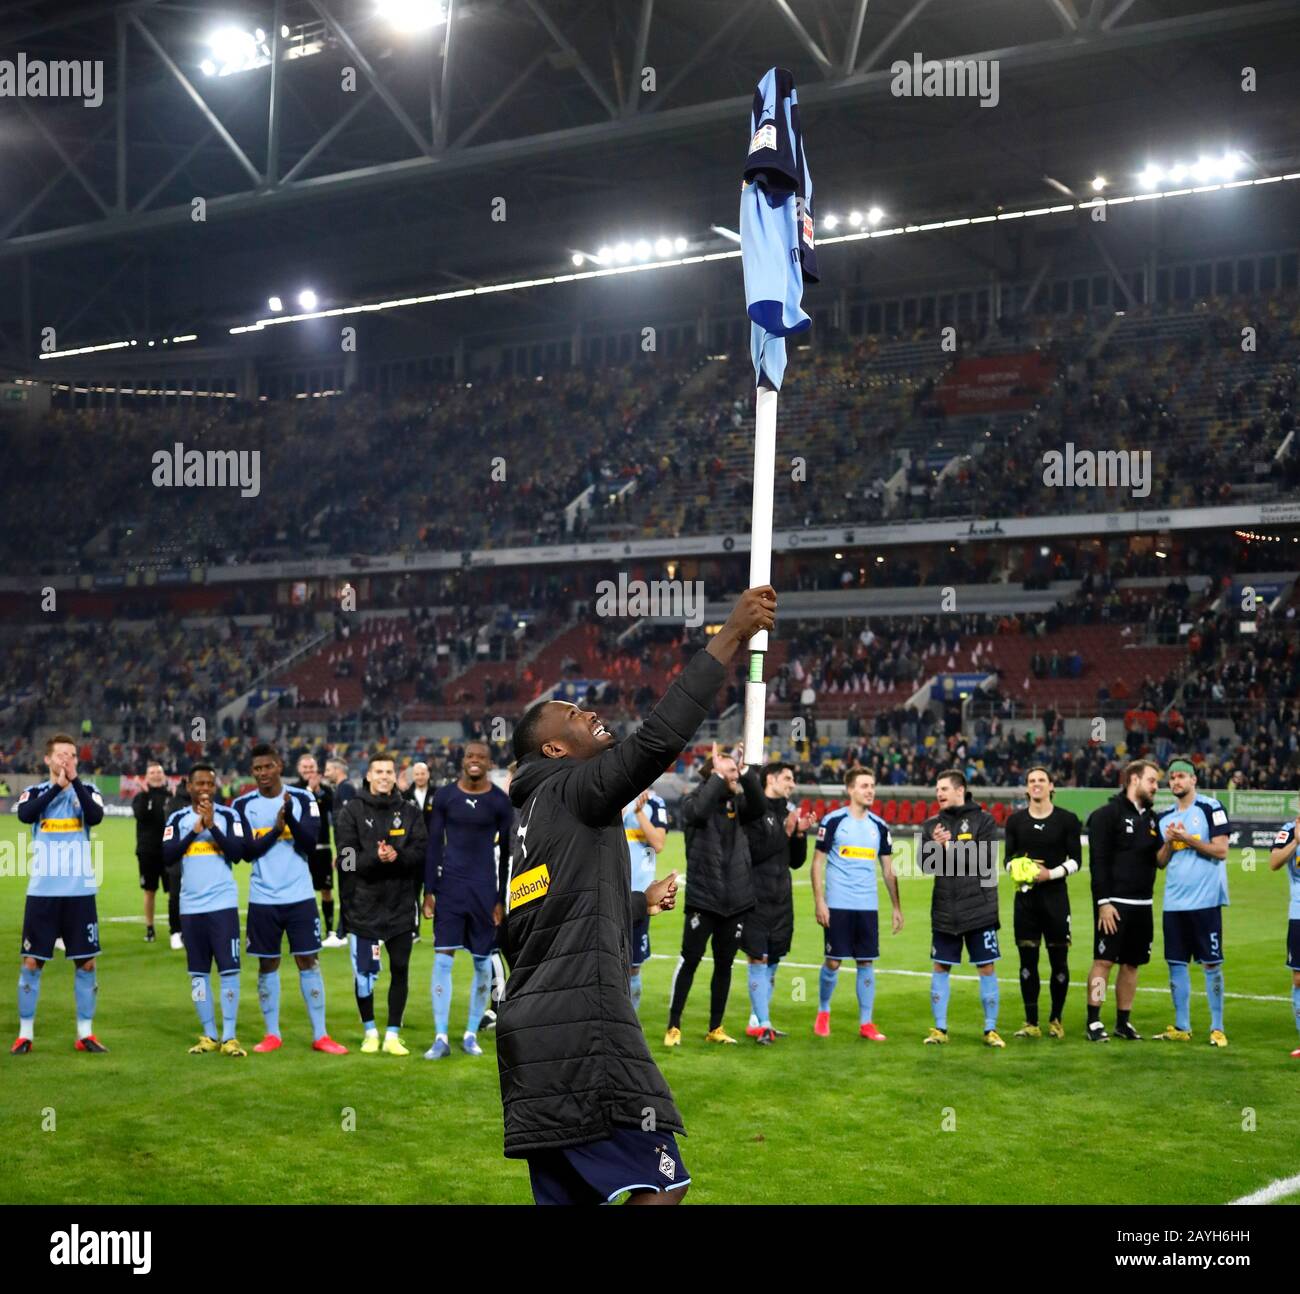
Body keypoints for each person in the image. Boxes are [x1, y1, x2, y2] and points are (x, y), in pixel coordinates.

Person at [499, 584, 775, 1205]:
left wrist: (636, 903)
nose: (588, 711)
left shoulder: (525, 819)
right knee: (665, 1181)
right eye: (571, 713)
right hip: (582, 1039)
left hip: (533, 1045)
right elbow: (656, 742)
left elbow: (525, 928)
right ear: (553, 749)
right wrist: (730, 635)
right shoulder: (573, 788)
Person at [234, 744, 347, 1054]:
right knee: (267, 963)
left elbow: (310, 844)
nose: (261, 773)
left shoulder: (303, 798)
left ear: (279, 765)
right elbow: (247, 852)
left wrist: (290, 821)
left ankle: (321, 1035)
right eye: (256, 769)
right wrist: (276, 829)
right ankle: (272, 1034)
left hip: (299, 896)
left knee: (308, 960)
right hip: (263, 898)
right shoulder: (243, 805)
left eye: (267, 767)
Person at [664, 741, 764, 1047]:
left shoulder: (738, 805)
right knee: (690, 960)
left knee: (725, 965)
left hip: (735, 901)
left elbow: (759, 806)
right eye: (731, 772)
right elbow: (699, 812)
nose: (736, 776)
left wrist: (746, 772)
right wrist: (719, 778)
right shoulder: (693, 801)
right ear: (715, 774)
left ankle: (715, 1027)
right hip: (703, 899)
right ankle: (673, 1026)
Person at [13, 733, 108, 1055]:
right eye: (61, 755)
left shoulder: (88, 793)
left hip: (79, 892)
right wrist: (57, 786)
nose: (66, 760)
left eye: (72, 755)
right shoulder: (34, 792)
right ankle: (25, 1034)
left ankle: (85, 1034)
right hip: (43, 892)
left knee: (87, 965)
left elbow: (95, 817)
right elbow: (25, 815)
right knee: (31, 964)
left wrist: (74, 782)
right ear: (47, 760)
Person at [422, 740, 512, 1059]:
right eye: (470, 756)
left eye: (481, 758)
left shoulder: (500, 802)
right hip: (450, 889)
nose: (475, 761)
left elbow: (506, 858)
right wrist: (428, 891)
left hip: (484, 891)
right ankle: (441, 1037)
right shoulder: (445, 796)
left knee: (481, 961)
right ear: (463, 761)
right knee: (442, 958)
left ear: (490, 764)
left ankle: (471, 1033)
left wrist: (500, 899)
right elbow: (434, 846)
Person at [334, 755, 428, 1055]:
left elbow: (421, 853)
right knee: (365, 973)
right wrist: (377, 857)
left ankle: (392, 1033)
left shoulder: (410, 811)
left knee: (400, 969)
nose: (384, 776)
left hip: (400, 907)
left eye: (389, 771)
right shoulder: (351, 811)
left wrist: (397, 857)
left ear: (395, 776)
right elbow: (347, 862)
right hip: (363, 908)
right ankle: (370, 1030)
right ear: (369, 776)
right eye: (379, 771)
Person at [161, 765, 248, 1056]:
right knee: (198, 974)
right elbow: (168, 856)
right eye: (199, 783)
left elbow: (238, 854)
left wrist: (212, 827)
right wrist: (194, 832)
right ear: (189, 786)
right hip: (191, 907)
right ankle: (209, 1034)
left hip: (222, 905)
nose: (205, 789)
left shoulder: (230, 815)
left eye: (210, 784)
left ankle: (230, 1036)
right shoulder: (177, 818)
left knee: (229, 970)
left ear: (216, 787)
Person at [812, 766, 901, 1041]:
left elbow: (888, 870)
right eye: (864, 786)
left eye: (872, 785)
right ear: (850, 790)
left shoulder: (879, 826)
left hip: (867, 906)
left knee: (866, 962)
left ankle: (866, 1023)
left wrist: (896, 907)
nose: (870, 790)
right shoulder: (833, 821)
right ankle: (824, 1011)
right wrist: (820, 902)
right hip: (838, 904)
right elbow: (817, 864)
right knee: (834, 962)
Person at [920, 768, 1003, 1047]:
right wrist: (937, 847)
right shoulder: (932, 825)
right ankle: (939, 1029)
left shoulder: (984, 820)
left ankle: (990, 1029)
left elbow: (984, 862)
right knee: (940, 966)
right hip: (945, 909)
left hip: (979, 908)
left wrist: (949, 847)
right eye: (937, 790)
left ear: (960, 790)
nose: (939, 794)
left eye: (944, 788)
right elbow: (926, 865)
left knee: (986, 967)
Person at [1153, 759, 1230, 1045]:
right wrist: (1170, 844)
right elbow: (1160, 863)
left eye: (1181, 776)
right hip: (1173, 903)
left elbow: (1221, 850)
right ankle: (1182, 1026)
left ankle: (1217, 1027)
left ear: (1194, 780)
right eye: (1172, 778)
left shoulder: (1211, 808)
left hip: (1205, 901)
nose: (1176, 782)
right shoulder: (1164, 817)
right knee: (1176, 964)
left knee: (1211, 964)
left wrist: (1188, 838)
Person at [1084, 759, 1162, 1042]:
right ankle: (1093, 1020)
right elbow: (1098, 862)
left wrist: (1174, 844)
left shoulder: (1153, 819)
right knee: (1104, 961)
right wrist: (1103, 902)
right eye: (1152, 780)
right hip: (1114, 903)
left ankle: (1122, 1022)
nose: (1156, 786)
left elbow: (1159, 861)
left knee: (1132, 964)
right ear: (1134, 780)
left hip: (1143, 905)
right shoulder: (1106, 815)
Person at [1002, 765, 1082, 1038]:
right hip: (1025, 901)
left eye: (1042, 780)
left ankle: (1055, 1020)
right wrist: (1020, 867)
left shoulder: (1068, 820)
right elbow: (1007, 860)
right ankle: (1031, 1022)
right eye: (1031, 780)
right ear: (1026, 788)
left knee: (1059, 961)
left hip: (1056, 900)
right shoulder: (1015, 822)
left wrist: (1049, 874)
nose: (1036, 784)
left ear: (1051, 787)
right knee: (1027, 962)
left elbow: (1076, 862)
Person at [741, 761, 814, 1041]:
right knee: (758, 958)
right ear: (770, 779)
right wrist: (785, 832)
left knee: (773, 960)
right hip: (755, 897)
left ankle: (756, 1019)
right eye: (787, 778)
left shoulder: (787, 811)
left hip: (781, 898)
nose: (792, 784)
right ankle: (765, 1023)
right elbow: (754, 854)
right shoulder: (753, 811)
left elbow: (796, 862)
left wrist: (798, 834)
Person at [622, 787, 667, 1014]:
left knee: (633, 967)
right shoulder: (613, 794)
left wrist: (639, 813)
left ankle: (630, 1023)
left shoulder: (655, 803)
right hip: (610, 894)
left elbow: (658, 844)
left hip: (641, 898)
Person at [294, 754, 340, 948]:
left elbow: (333, 810)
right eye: (305, 768)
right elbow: (295, 810)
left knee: (326, 890)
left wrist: (318, 791)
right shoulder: (294, 790)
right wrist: (308, 791)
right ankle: (301, 930)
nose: (308, 771)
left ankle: (329, 930)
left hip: (322, 848)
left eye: (311, 768)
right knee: (299, 891)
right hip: (299, 850)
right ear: (298, 769)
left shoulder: (327, 791)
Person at [1267, 813, 1300, 1058]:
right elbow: (1274, 862)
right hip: (1298, 913)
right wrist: (1296, 842)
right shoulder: (1288, 830)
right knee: (1299, 978)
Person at [132, 761, 170, 944]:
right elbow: (141, 816)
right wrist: (146, 794)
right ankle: (150, 928)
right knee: (149, 891)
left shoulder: (171, 796)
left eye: (158, 772)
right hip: (148, 852)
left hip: (170, 851)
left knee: (175, 892)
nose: (156, 774)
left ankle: (176, 929)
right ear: (147, 777)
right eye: (152, 772)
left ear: (163, 776)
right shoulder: (140, 798)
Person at [323, 757, 357, 941]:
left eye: (328, 769)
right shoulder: (343, 789)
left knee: (348, 888)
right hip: (346, 848)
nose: (325, 773)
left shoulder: (345, 789)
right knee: (348, 887)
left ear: (338, 770)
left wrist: (344, 850)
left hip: (349, 849)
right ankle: (345, 929)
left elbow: (348, 822)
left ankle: (343, 932)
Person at [403, 761, 435, 942]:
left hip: (434, 850)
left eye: (423, 773)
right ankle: (414, 930)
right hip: (413, 851)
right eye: (417, 774)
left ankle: (440, 931)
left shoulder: (437, 794)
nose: (420, 777)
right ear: (413, 776)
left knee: (437, 890)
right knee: (412, 891)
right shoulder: (405, 796)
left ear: (428, 774)